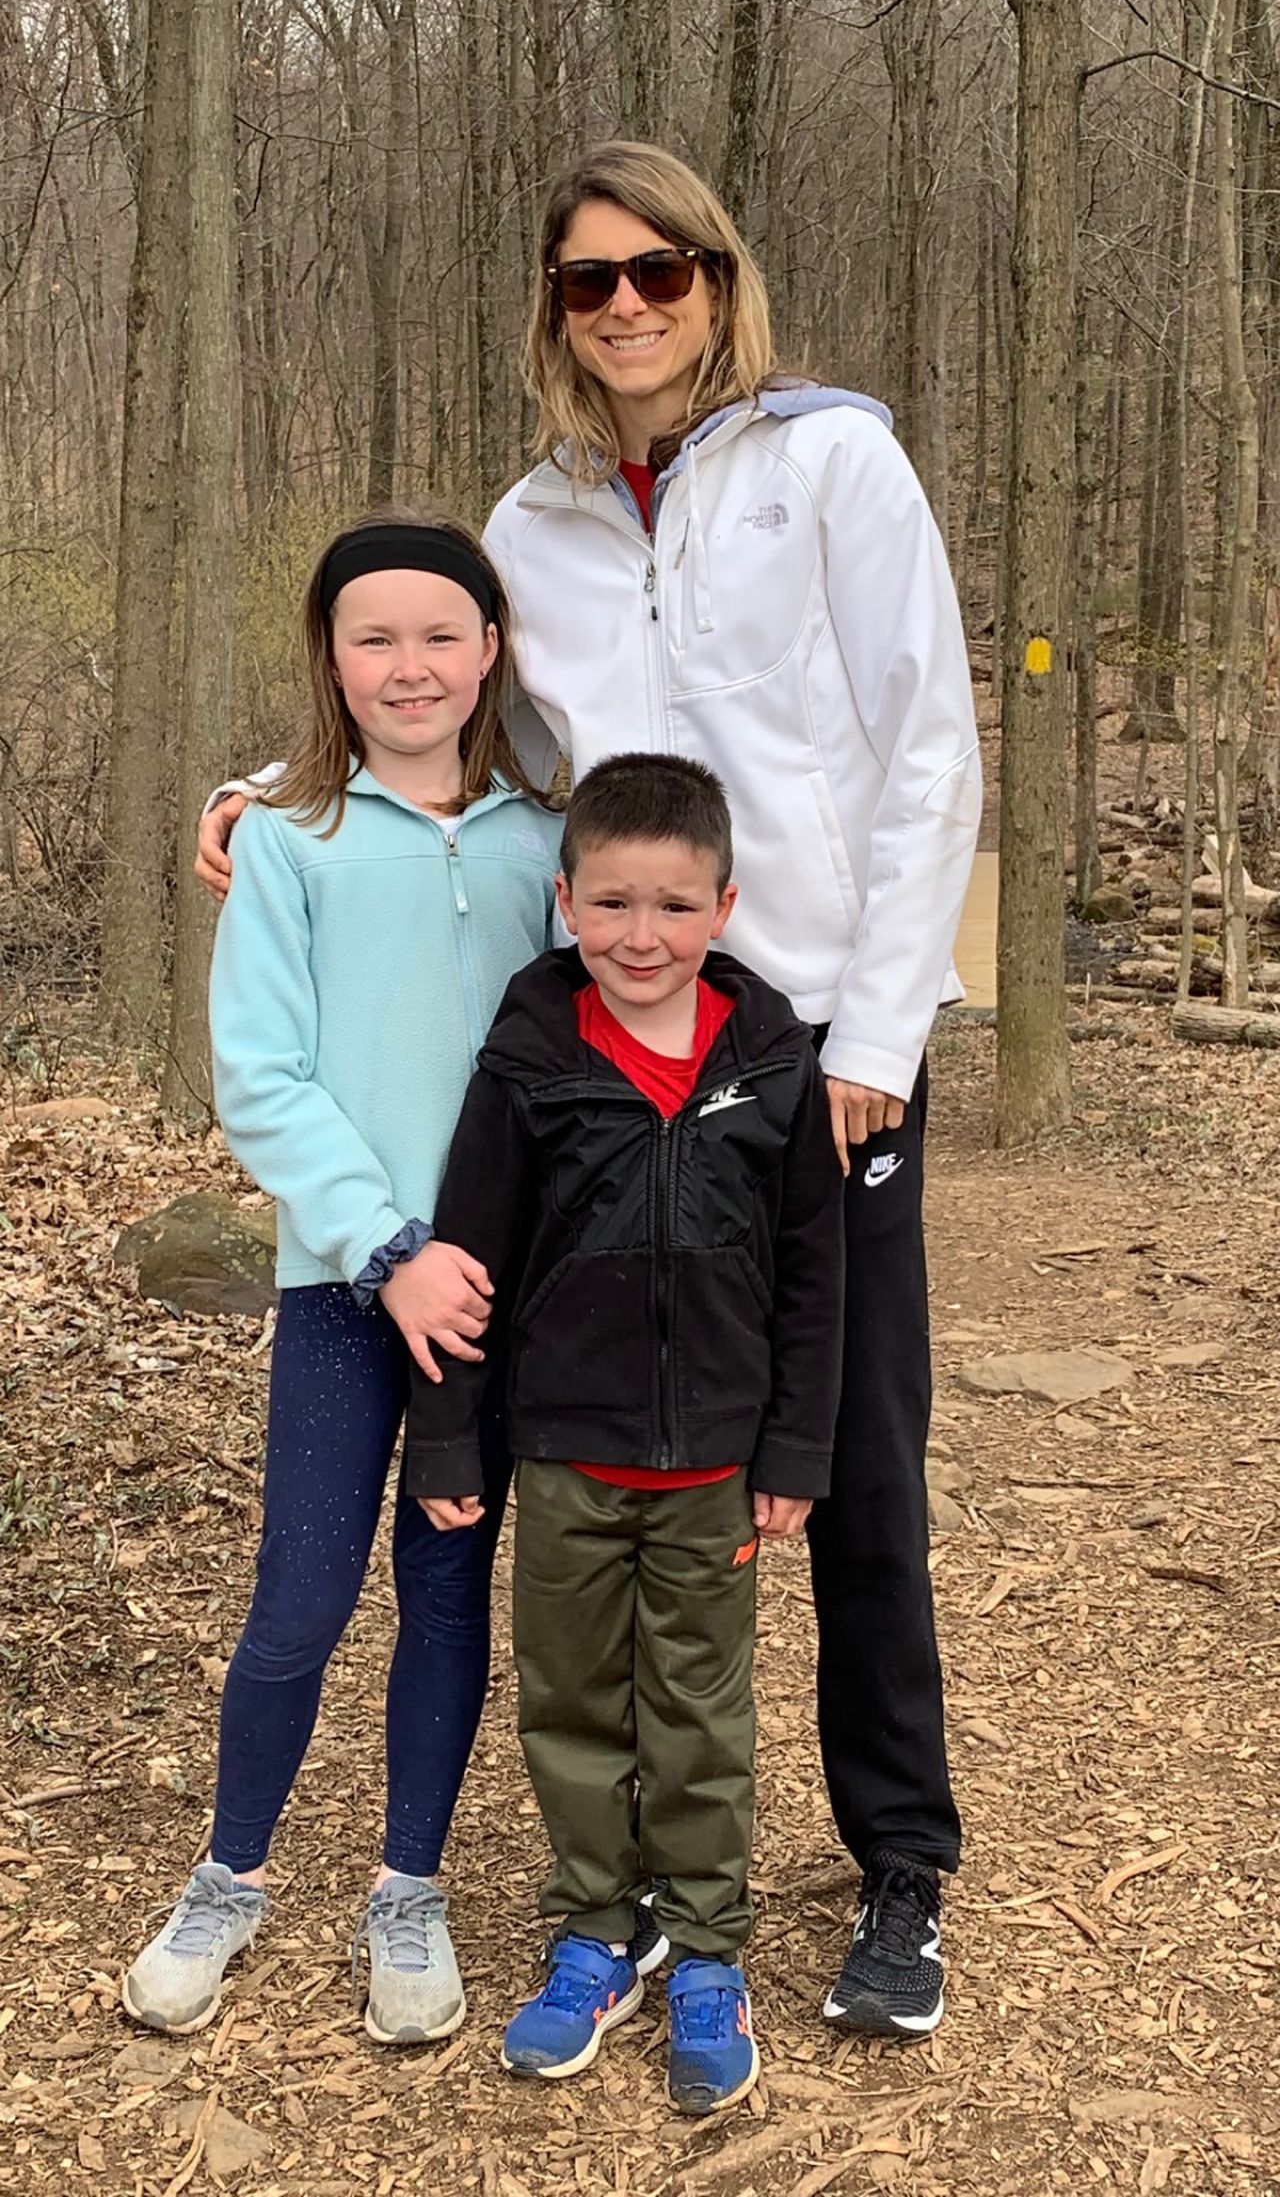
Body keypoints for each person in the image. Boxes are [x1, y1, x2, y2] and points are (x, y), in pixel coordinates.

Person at [197, 140, 981, 2037]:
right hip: (608, 1050)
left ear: (720, 275)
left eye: (663, 269)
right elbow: (448, 730)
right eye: (586, 281)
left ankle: (900, 1865)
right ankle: (614, 1878)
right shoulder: (527, 523)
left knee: (849, 1457)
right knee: (609, 1452)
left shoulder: (831, 463)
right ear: (555, 310)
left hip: (806, 1054)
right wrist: (261, 795)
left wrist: (876, 1035)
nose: (627, 305)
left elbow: (928, 741)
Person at [123, 510, 564, 2047]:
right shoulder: (291, 839)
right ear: (327, 654)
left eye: (442, 633)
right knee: (301, 1597)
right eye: (372, 636)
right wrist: (386, 1248)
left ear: (494, 648)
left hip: (490, 1298)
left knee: (447, 1590)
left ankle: (411, 1890)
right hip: (346, 1285)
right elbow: (261, 1077)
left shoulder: (545, 836)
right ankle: (230, 1873)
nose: (409, 664)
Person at [407, 752, 844, 2113]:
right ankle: (597, 1927)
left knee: (702, 1711)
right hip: (565, 1458)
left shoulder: (772, 1064)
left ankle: (708, 1945)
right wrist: (447, 1443)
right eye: (609, 904)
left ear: (722, 903)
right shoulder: (531, 1054)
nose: (637, 936)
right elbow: (466, 1256)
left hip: (716, 1463)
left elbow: (817, 1279)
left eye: (669, 905)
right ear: (565, 899)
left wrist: (794, 1451)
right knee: (579, 1701)